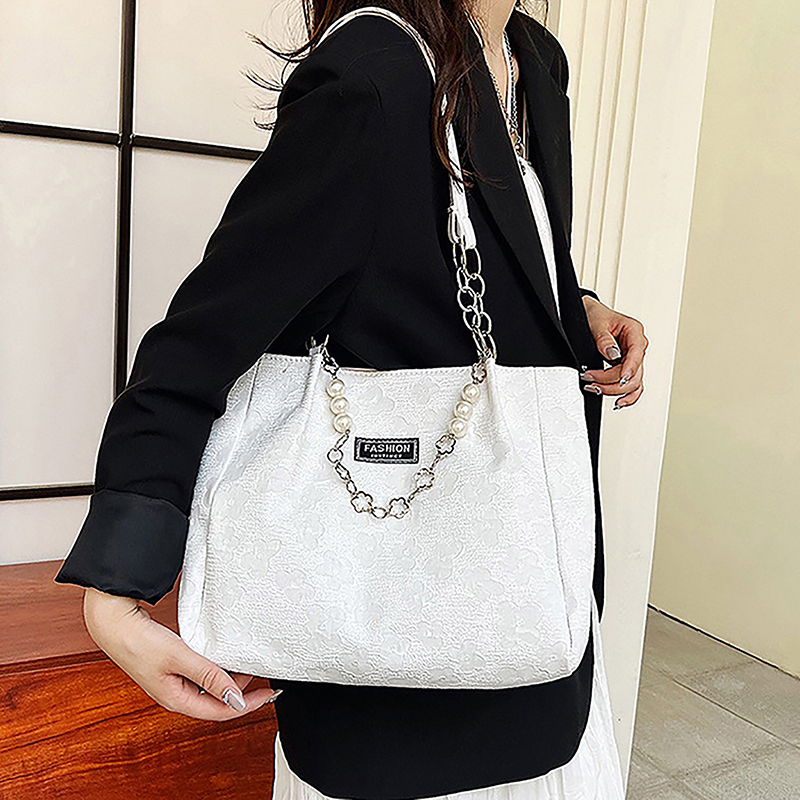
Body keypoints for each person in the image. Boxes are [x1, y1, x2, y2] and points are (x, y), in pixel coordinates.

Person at [55, 1, 648, 798]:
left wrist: (575, 308)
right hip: (395, 655)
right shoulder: (375, 78)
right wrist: (116, 593)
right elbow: (201, 343)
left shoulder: (533, 59)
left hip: (532, 592)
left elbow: (488, 256)